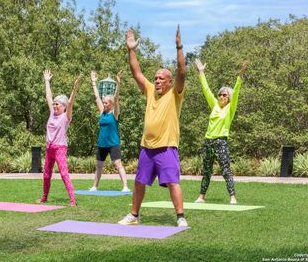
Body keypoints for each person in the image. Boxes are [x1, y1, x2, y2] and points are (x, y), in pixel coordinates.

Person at [118, 26, 187, 227]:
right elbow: (136, 73)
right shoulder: (149, 91)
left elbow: (182, 70)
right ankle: (134, 215)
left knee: (173, 182)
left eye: (160, 78)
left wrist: (179, 47)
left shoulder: (176, 93)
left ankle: (180, 217)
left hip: (166, 146)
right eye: (155, 78)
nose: (156, 81)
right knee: (139, 182)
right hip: (147, 147)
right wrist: (131, 49)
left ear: (169, 82)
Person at [193, 59, 247, 205]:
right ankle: (201, 196)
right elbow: (206, 89)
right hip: (208, 142)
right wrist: (201, 72)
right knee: (206, 171)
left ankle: (232, 197)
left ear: (229, 98)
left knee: (225, 170)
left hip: (221, 142)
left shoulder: (230, 108)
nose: (222, 96)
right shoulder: (215, 105)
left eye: (225, 95)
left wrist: (239, 77)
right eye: (220, 95)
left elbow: (236, 92)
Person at [38, 70, 82, 207]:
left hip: (60, 148)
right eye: (54, 104)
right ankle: (44, 198)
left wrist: (75, 88)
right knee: (46, 174)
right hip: (49, 148)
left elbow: (70, 102)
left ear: (63, 107)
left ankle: (72, 200)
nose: (55, 105)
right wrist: (46, 81)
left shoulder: (65, 117)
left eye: (58, 104)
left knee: (64, 173)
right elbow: (48, 96)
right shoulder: (52, 113)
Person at [89, 70, 129, 192]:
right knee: (99, 166)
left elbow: (116, 98)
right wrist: (93, 82)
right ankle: (95, 186)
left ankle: (125, 187)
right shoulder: (102, 112)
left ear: (111, 104)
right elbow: (96, 97)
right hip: (102, 144)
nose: (104, 103)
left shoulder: (114, 114)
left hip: (113, 143)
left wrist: (118, 83)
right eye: (104, 102)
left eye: (106, 102)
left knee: (118, 165)